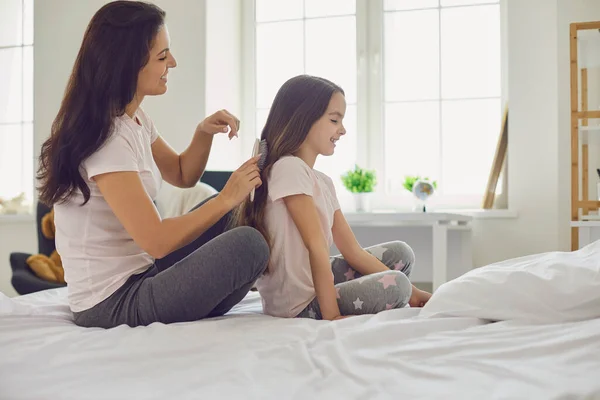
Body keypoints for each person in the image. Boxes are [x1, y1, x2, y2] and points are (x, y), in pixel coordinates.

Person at [36, 1, 269, 329]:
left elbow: (182, 173)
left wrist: (203, 133)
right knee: (249, 245)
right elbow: (156, 240)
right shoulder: (108, 138)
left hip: (142, 275)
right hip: (112, 303)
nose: (172, 62)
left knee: (242, 223)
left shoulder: (136, 120)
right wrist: (226, 196)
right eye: (162, 57)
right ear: (127, 64)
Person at [236, 75, 432, 321]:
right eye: (334, 120)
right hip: (297, 304)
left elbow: (352, 251)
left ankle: (403, 293)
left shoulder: (322, 182)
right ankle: (364, 301)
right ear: (304, 119)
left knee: (401, 254)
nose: (342, 129)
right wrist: (332, 317)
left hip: (315, 283)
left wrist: (414, 294)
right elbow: (316, 245)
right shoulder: (288, 168)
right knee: (397, 286)